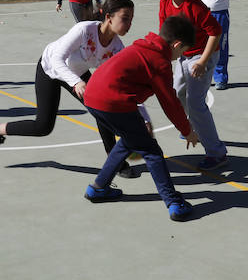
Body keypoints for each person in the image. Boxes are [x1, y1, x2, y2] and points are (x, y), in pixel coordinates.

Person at [0, 0, 140, 177]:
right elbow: (57, 58)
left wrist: (140, 117)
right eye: (125, 18)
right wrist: (76, 82)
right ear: (109, 17)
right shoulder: (84, 30)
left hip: (77, 73)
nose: (129, 24)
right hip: (50, 68)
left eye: (131, 19)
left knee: (101, 107)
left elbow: (120, 85)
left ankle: (115, 161)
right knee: (43, 127)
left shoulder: (117, 48)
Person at [82, 15, 200, 222]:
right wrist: (187, 130)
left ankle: (98, 188)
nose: (179, 56)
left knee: (129, 141)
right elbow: (170, 103)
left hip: (92, 97)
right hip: (114, 102)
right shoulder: (160, 62)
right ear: (177, 44)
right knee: (151, 151)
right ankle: (174, 203)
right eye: (181, 52)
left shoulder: (144, 46)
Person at [158, 0, 229, 171]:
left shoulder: (194, 6)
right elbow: (165, 36)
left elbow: (215, 32)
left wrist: (203, 61)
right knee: (178, 93)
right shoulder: (165, 3)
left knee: (196, 102)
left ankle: (217, 153)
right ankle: (190, 127)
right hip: (183, 55)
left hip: (202, 55)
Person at [195, 0, 234, 90]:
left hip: (220, 15)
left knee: (221, 47)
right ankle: (203, 75)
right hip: (204, 15)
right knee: (202, 46)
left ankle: (221, 78)